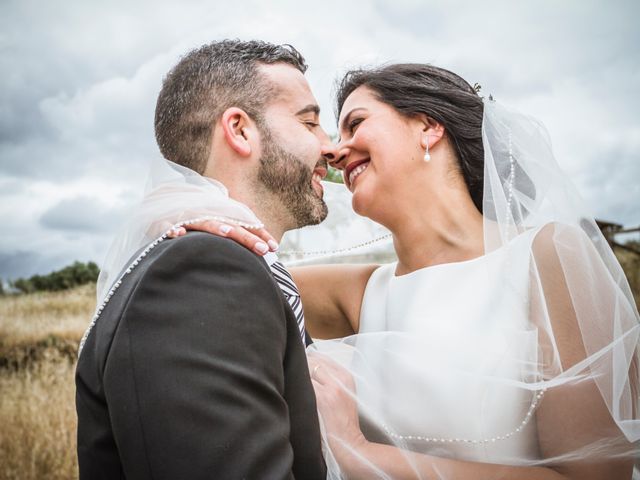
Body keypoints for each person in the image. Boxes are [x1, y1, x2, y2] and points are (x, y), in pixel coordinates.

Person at [175, 63, 640, 479]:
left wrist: (359, 454)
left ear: (428, 127)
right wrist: (195, 221)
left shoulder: (548, 256)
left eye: (355, 123)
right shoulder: (354, 292)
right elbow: (213, 278)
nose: (335, 151)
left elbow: (596, 476)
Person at [75, 39, 339, 479]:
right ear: (239, 130)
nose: (329, 147)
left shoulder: (225, 263)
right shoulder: (202, 272)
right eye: (310, 122)